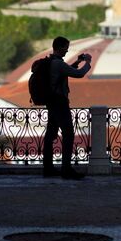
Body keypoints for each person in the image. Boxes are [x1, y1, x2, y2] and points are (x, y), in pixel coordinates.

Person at [42, 36, 92, 180]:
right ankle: (66, 169)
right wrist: (88, 62)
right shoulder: (57, 64)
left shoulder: (52, 62)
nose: (67, 50)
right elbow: (79, 74)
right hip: (59, 103)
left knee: (50, 135)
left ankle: (48, 169)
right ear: (59, 47)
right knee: (68, 134)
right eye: (65, 47)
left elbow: (67, 69)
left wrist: (77, 61)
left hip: (52, 102)